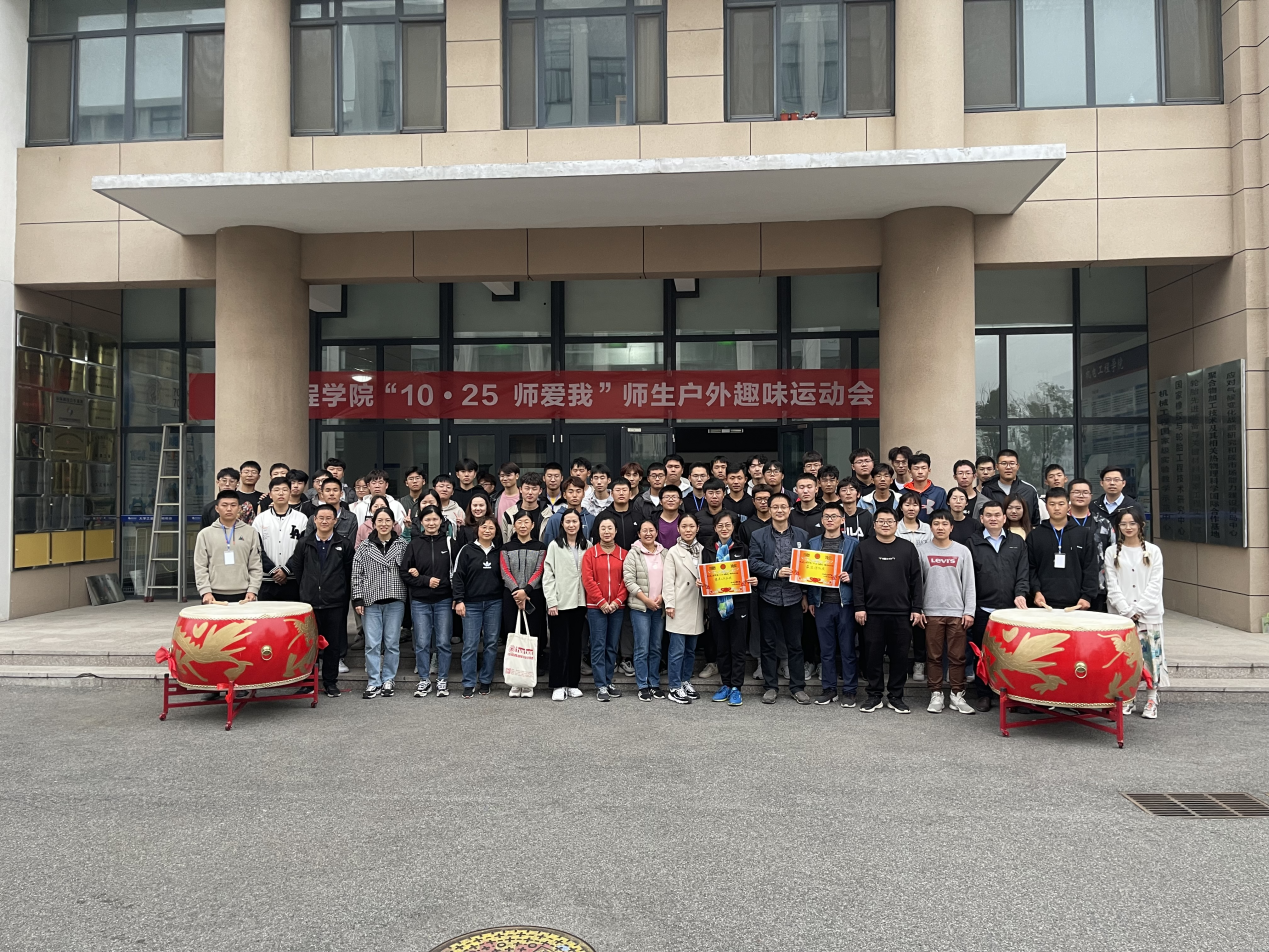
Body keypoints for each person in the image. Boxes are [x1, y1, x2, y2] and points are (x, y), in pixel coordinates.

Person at [851, 508, 922, 714]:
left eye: (889, 521)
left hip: (902, 612)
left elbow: (916, 580)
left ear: (896, 524)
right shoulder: (864, 548)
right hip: (871, 612)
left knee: (899, 656)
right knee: (872, 656)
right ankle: (874, 695)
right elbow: (858, 581)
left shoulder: (908, 548)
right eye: (881, 521)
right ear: (874, 525)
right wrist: (859, 607)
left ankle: (896, 696)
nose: (885, 524)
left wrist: (917, 608)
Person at [285, 504, 354, 698]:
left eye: (328, 518)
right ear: (314, 520)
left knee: (332, 645)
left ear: (335, 521)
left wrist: (339, 592)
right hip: (310, 603)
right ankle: (308, 682)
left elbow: (348, 572)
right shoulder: (304, 543)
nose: (324, 521)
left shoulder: (344, 544)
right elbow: (298, 569)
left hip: (335, 602)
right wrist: (308, 588)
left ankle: (331, 683)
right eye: (321, 518)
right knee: (309, 645)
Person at [966, 500, 1030, 711]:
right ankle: (983, 694)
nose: (993, 518)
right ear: (981, 518)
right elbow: (968, 578)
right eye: (988, 515)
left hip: (1010, 611)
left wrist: (1020, 593)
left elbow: (1023, 573)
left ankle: (1012, 695)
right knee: (982, 654)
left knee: (1012, 655)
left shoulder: (1017, 542)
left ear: (1004, 518)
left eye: (997, 515)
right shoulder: (972, 543)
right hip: (983, 609)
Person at [749, 493, 811, 705]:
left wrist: (805, 593)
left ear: (790, 509)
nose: (779, 510)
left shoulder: (802, 535)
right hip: (768, 595)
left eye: (783, 506)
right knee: (768, 644)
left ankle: (797, 687)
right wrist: (775, 572)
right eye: (775, 507)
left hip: (794, 596)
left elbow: (808, 566)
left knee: (795, 644)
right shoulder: (758, 535)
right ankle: (770, 687)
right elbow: (753, 562)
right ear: (769, 509)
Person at [1105, 507, 1167, 719]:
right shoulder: (1112, 552)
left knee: (1151, 658)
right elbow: (1112, 584)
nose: (1128, 527)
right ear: (1118, 527)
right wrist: (1126, 610)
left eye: (1132, 523)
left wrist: (1139, 609)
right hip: (1121, 616)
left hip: (1149, 615)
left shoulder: (1153, 551)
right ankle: (1127, 696)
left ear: (1141, 525)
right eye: (1123, 524)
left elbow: (1155, 584)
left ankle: (1152, 698)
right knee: (1125, 659)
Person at [917, 511, 977, 715]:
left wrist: (969, 611)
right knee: (934, 656)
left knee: (958, 656)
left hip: (957, 612)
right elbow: (917, 584)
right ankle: (936, 694)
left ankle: (957, 694)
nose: (940, 527)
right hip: (931, 611)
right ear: (930, 527)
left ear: (952, 527)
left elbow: (969, 583)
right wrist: (919, 609)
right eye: (936, 523)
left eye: (944, 524)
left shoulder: (962, 551)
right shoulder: (921, 551)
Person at [350, 508, 407, 700]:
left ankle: (389, 679)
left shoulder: (402, 545)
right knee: (372, 643)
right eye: (380, 520)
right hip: (370, 600)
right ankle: (373, 680)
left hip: (395, 599)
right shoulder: (364, 547)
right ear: (373, 524)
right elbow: (356, 575)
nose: (384, 524)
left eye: (387, 520)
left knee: (392, 643)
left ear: (393, 523)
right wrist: (358, 598)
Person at [806, 503, 858, 707]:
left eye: (834, 516)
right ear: (821, 520)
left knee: (847, 649)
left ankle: (850, 691)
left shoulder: (853, 544)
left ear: (842, 520)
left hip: (845, 603)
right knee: (826, 650)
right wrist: (811, 599)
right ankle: (829, 690)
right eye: (826, 516)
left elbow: (862, 571)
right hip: (822, 603)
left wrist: (850, 576)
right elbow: (807, 573)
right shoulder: (813, 543)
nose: (830, 520)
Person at [401, 505, 454, 699]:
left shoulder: (449, 543)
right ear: (421, 522)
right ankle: (424, 679)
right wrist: (425, 580)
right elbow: (405, 572)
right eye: (427, 520)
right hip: (420, 601)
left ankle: (442, 679)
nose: (431, 523)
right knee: (422, 642)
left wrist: (442, 585)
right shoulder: (414, 544)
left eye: (435, 519)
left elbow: (457, 572)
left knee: (443, 642)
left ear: (441, 521)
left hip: (444, 599)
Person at [452, 515, 504, 698]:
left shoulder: (499, 552)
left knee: (491, 643)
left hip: (494, 603)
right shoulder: (467, 550)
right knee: (470, 644)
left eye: (491, 527)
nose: (487, 530)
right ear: (477, 530)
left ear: (496, 531)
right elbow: (457, 576)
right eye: (484, 527)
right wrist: (459, 600)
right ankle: (468, 682)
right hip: (471, 604)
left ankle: (486, 680)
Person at [701, 510, 748, 707]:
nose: (724, 529)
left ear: (733, 527)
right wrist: (702, 581)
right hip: (716, 603)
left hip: (739, 603)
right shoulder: (708, 550)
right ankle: (726, 684)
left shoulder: (742, 548)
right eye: (720, 525)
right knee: (722, 646)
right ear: (715, 528)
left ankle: (737, 687)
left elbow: (749, 573)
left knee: (737, 647)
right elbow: (705, 573)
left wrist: (751, 579)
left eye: (728, 525)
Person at [500, 511, 547, 699]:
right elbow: (505, 571)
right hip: (511, 596)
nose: (523, 525)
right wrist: (517, 591)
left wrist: (526, 590)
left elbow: (540, 570)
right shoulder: (506, 547)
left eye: (526, 522)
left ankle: (528, 679)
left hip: (534, 595)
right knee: (513, 634)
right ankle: (514, 679)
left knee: (533, 635)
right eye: (519, 522)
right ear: (514, 525)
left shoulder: (540, 546)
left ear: (532, 525)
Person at [1027, 488, 1098, 611]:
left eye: (1061, 504)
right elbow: (1030, 567)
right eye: (1052, 504)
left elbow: (1091, 567)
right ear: (1046, 507)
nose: (1056, 508)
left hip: (1076, 603)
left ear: (1068, 506)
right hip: (1042, 603)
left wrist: (1087, 596)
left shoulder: (1083, 534)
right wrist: (1036, 591)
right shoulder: (1035, 535)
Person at [543, 511, 588, 702]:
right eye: (567, 521)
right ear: (562, 524)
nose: (571, 525)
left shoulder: (586, 545)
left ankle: (572, 683)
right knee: (559, 645)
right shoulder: (555, 545)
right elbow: (548, 575)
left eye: (574, 521)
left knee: (575, 644)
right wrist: (551, 601)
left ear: (580, 524)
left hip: (580, 602)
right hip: (560, 603)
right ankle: (558, 684)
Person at [582, 515, 627, 702]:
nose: (607, 532)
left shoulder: (624, 554)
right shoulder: (590, 554)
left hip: (617, 606)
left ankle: (609, 681)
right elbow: (588, 580)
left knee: (612, 646)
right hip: (596, 607)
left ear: (616, 531)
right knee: (598, 645)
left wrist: (617, 601)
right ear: (598, 531)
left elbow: (627, 580)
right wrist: (601, 602)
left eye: (610, 528)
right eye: (603, 528)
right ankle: (600, 684)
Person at [663, 513, 705, 705]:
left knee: (690, 650)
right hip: (679, 606)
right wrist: (669, 604)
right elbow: (668, 581)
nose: (688, 530)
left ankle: (685, 680)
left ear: (697, 528)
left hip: (697, 604)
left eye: (691, 526)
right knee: (677, 650)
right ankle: (674, 686)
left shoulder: (703, 550)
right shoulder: (673, 552)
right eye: (684, 526)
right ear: (678, 529)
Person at [624, 519, 667, 701]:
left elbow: (670, 579)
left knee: (656, 647)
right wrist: (646, 600)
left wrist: (662, 597)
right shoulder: (633, 554)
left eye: (651, 530)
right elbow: (629, 580)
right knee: (642, 647)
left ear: (656, 532)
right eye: (644, 531)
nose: (648, 533)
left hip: (659, 607)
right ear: (639, 534)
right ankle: (642, 685)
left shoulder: (664, 553)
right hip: (640, 607)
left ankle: (654, 683)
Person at [194, 490, 263, 604]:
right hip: (213, 594)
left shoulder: (250, 532)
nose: (229, 509)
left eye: (233, 505)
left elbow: (256, 564)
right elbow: (200, 566)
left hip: (244, 594)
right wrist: (205, 591)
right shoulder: (205, 534)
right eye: (224, 505)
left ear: (239, 508)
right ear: (217, 508)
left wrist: (253, 589)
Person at [895, 491, 932, 681]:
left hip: (924, 580)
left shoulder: (928, 529)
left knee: (919, 622)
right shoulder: (895, 527)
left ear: (920, 507)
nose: (911, 508)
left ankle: (919, 661)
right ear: (901, 507)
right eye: (907, 504)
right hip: (898, 580)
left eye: (915, 504)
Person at [254, 476, 308, 602]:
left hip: (293, 579)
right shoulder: (260, 519)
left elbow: (302, 549)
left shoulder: (301, 519)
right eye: (277, 490)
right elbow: (256, 549)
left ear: (290, 493)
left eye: (285, 490)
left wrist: (286, 570)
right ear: (270, 494)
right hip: (266, 580)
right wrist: (272, 571)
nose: (281, 493)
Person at [1067, 477, 1114, 611]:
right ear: (1069, 495)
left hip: (1098, 586)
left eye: (1085, 492)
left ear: (1091, 496)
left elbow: (1113, 554)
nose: (1081, 495)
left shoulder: (1103, 523)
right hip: (1067, 585)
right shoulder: (1061, 523)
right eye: (1076, 492)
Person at [980, 448, 1042, 526]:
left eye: (1012, 463)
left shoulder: (1029, 490)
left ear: (1017, 466)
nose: (1008, 467)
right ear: (997, 467)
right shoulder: (987, 490)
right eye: (1004, 463)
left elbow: (1035, 521)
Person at [540, 476, 594, 545]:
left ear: (583, 494)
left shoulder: (591, 519)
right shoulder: (555, 519)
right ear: (564, 495)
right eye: (570, 492)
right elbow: (548, 546)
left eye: (578, 491)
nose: (574, 495)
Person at [590, 478, 640, 549]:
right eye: (618, 490)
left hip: (634, 555)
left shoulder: (638, 516)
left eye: (624, 490)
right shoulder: (603, 516)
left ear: (630, 493)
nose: (621, 493)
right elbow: (596, 541)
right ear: (612, 494)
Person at [308, 475, 358, 544]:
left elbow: (351, 545)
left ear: (341, 494)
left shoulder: (351, 518)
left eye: (335, 490)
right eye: (327, 490)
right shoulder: (313, 518)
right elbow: (308, 544)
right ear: (322, 494)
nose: (331, 494)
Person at [500, 471, 546, 542]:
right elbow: (504, 540)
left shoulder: (548, 514)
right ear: (520, 489)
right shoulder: (509, 514)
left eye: (534, 489)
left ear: (540, 491)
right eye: (527, 488)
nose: (530, 493)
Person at [902, 453, 946, 522]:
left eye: (923, 468)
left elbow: (944, 516)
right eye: (916, 468)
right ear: (909, 472)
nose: (920, 472)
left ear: (929, 470)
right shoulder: (901, 494)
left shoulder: (939, 493)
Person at [654, 484, 683, 549]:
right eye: (667, 497)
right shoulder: (652, 520)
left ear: (680, 501)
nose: (670, 500)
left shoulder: (686, 519)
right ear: (660, 501)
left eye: (674, 497)